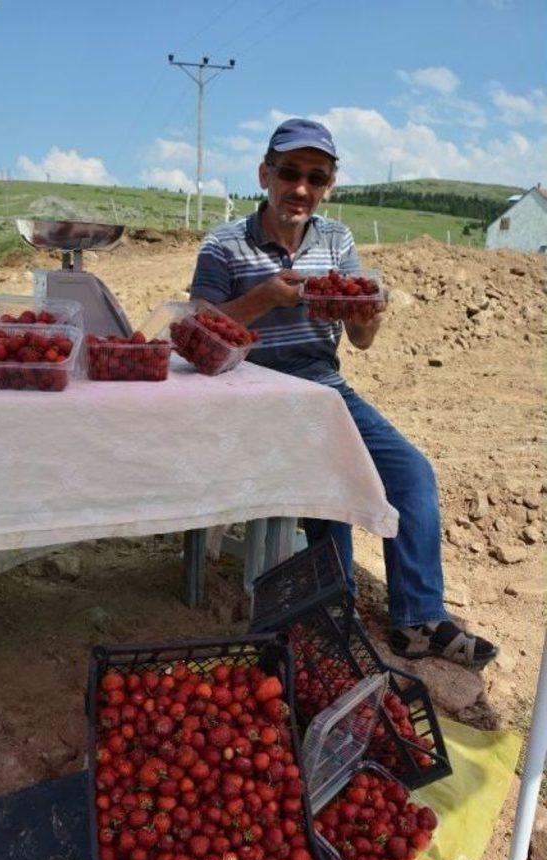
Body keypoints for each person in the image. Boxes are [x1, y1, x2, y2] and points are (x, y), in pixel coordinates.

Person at [190, 117, 498, 669]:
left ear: (329, 185)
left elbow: (359, 339)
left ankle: (419, 618)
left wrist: (366, 311)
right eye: (290, 172)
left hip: (325, 390)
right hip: (250, 394)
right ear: (265, 174)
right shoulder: (224, 245)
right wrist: (262, 299)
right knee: (330, 484)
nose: (301, 188)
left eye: (316, 176)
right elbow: (197, 333)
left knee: (412, 473)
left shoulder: (337, 240)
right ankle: (334, 615)